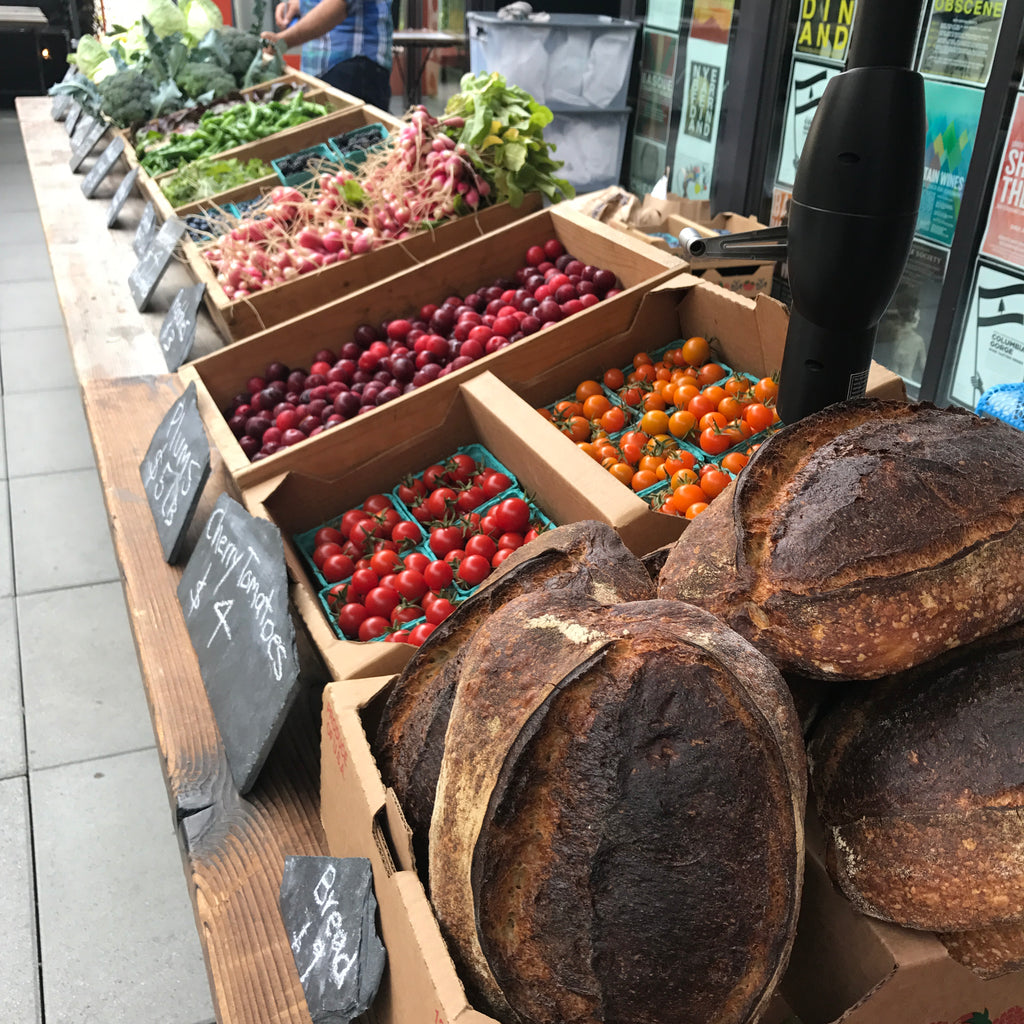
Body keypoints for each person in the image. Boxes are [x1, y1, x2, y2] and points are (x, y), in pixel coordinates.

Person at [262, 0, 393, 111]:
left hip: (353, 68)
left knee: (356, 138)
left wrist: (281, 42)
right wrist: (302, 4)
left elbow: (338, 4)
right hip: (324, 71)